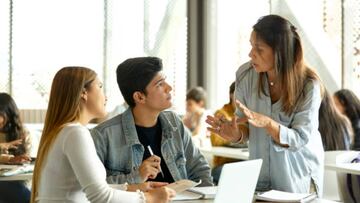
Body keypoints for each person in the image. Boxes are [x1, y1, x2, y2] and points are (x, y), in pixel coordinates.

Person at [206, 15, 324, 195]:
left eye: (259, 49)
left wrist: (268, 123)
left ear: (280, 52)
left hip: (298, 179)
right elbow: (245, 126)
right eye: (251, 45)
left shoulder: (308, 85)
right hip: (261, 181)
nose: (251, 53)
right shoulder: (245, 75)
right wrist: (237, 134)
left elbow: (300, 138)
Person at [31, 67, 175, 203]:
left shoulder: (64, 131)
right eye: (100, 87)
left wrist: (134, 188)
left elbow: (87, 190)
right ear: (83, 93)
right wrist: (148, 198)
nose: (105, 96)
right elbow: (100, 197)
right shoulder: (75, 133)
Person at [91, 57, 213, 186]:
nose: (169, 88)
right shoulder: (104, 135)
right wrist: (136, 176)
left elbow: (200, 170)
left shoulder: (174, 122)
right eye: (160, 84)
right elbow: (94, 188)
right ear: (139, 97)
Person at [210, 82, 244, 185]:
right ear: (231, 95)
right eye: (238, 94)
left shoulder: (245, 114)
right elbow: (216, 141)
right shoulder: (221, 114)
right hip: (224, 164)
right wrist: (235, 138)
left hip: (243, 162)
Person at [0, 92, 32, 203]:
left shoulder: (23, 133)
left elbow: (30, 162)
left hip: (16, 181)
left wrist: (15, 160)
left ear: (8, 114)